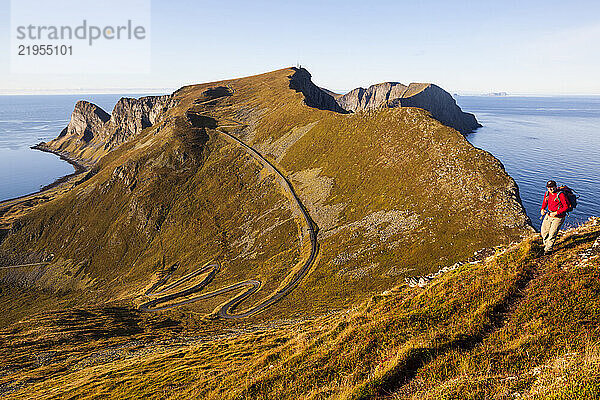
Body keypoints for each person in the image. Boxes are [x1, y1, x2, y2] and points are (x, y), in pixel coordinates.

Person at [540, 180, 568, 254]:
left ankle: (548, 250)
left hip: (558, 217)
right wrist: (542, 209)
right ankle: (546, 245)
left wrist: (557, 212)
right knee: (544, 232)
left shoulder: (561, 195)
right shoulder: (547, 193)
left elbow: (566, 207)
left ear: (555, 187)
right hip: (549, 215)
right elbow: (545, 202)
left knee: (552, 233)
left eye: (552, 187)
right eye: (549, 187)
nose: (550, 189)